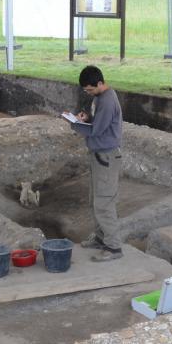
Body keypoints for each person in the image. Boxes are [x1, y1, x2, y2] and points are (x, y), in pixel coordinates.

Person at [66, 65, 124, 262]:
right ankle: (101, 237)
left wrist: (74, 123)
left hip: (107, 157)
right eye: (86, 91)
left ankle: (114, 247)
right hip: (99, 156)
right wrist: (86, 117)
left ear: (100, 83)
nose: (88, 93)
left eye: (90, 90)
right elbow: (97, 121)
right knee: (96, 199)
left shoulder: (108, 101)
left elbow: (96, 130)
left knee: (104, 203)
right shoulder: (100, 98)